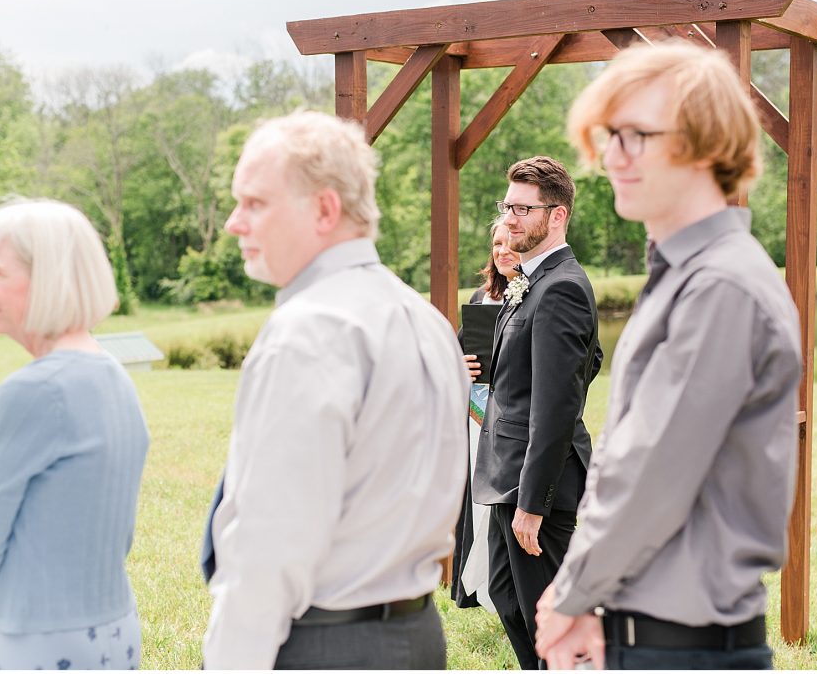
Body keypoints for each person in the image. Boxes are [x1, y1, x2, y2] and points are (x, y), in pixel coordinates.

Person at [534, 40, 803, 670]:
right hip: (646, 635)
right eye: (609, 136)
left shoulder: (720, 287)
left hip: (685, 648)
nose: (611, 157)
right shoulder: (685, 275)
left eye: (636, 136)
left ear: (707, 144)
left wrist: (571, 597)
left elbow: (649, 470)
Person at [199, 110, 470, 669]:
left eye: (254, 203)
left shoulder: (310, 330)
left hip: (324, 646)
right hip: (417, 639)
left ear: (324, 209)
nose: (233, 223)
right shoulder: (424, 319)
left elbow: (270, 542)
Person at [0, 198, 150, 670]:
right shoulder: (115, 376)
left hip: (30, 641)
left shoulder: (35, 389)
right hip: (112, 634)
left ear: (49, 279)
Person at [472, 155, 603, 669]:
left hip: (537, 487)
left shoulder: (562, 287)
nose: (509, 220)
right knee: (509, 601)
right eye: (508, 207)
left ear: (557, 217)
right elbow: (586, 361)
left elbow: (556, 406)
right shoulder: (529, 281)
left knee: (553, 628)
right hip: (507, 475)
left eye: (523, 209)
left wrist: (534, 502)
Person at [451, 219, 521, 612]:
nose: (502, 250)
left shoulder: (537, 294)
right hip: (479, 416)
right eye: (496, 243)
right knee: (478, 502)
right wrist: (464, 368)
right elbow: (463, 353)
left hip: (513, 419)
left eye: (510, 242)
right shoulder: (482, 299)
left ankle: (509, 587)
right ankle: (479, 585)